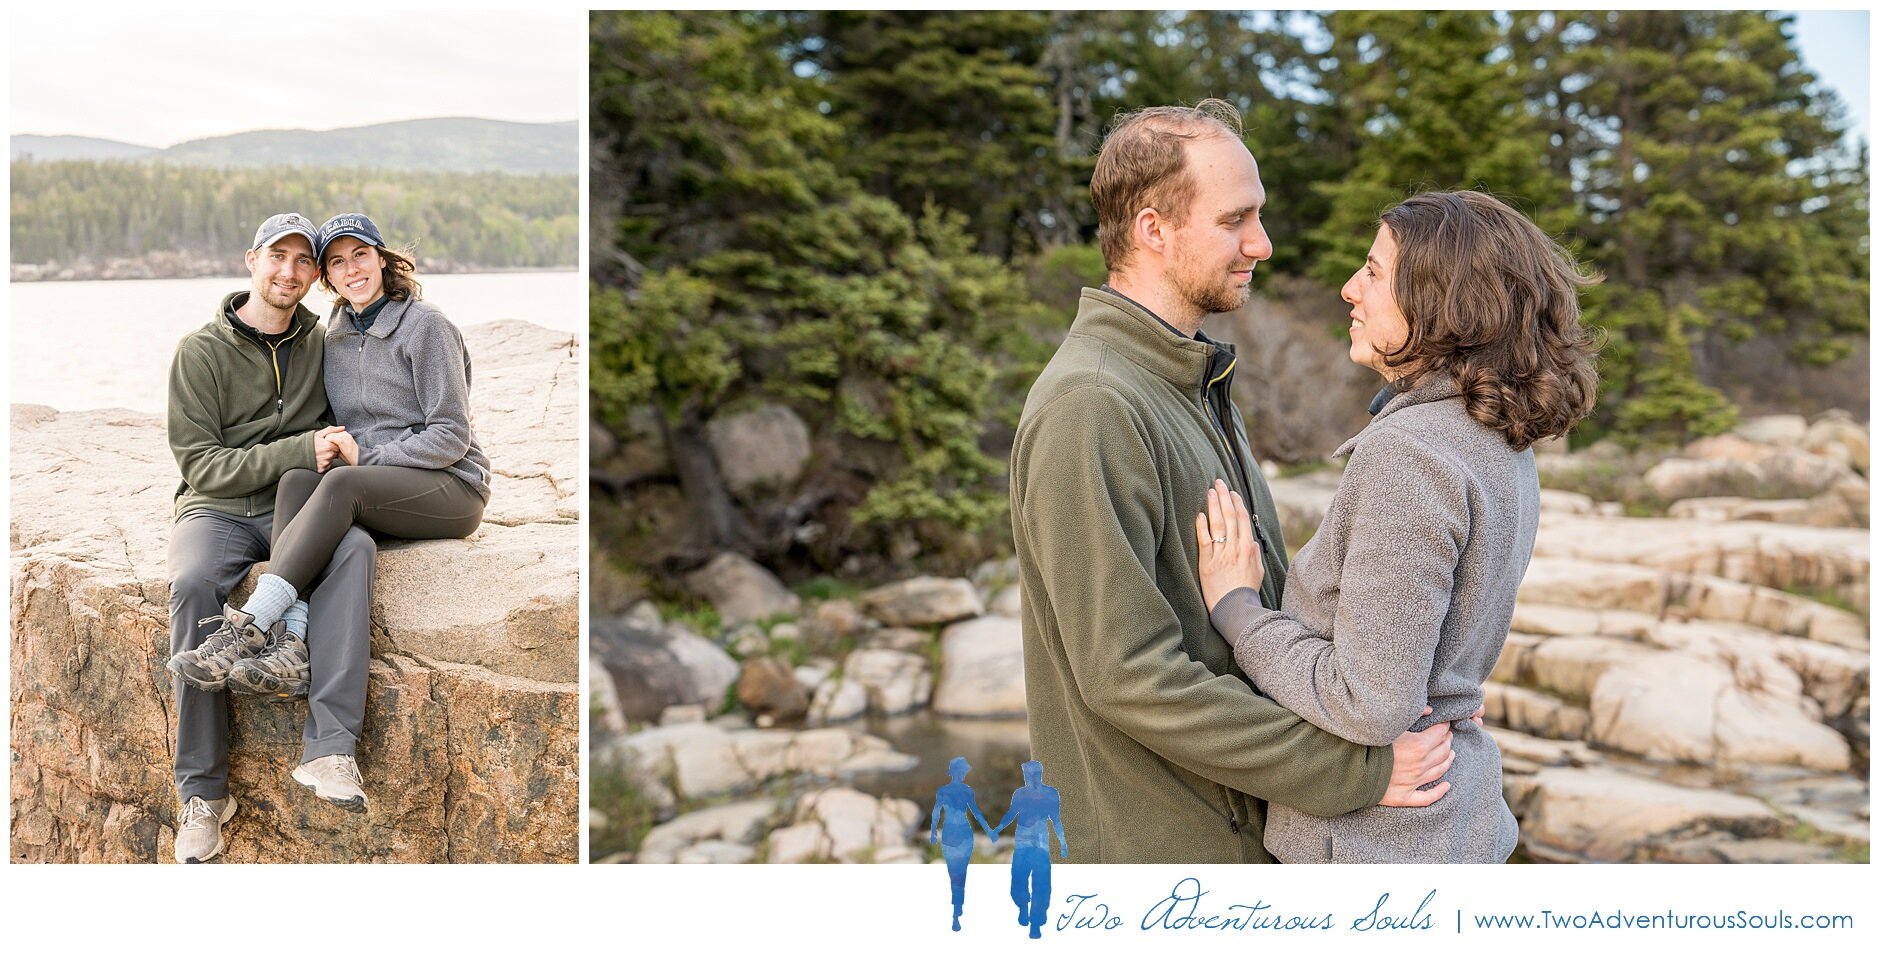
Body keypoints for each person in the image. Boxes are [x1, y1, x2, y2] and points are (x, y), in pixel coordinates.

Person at [1009, 99, 1458, 864]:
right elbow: (1128, 676)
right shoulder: (1092, 404)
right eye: (1234, 220)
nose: (1263, 243)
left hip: (1240, 839)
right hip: (1163, 860)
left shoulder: (1193, 381)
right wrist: (1350, 770)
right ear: (1154, 229)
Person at [1197, 190, 1599, 862]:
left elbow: (1371, 704)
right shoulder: (1497, 437)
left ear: (1446, 302)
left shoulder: (1410, 454)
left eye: (1375, 273)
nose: (1351, 289)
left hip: (1378, 854)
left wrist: (1238, 612)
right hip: (1455, 823)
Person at [180, 212, 491, 817]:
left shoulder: (426, 327)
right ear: (327, 275)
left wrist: (366, 454)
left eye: (362, 256)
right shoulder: (337, 333)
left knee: (341, 481)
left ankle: (252, 624)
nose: (352, 271)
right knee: (301, 478)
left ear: (384, 259)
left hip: (449, 490)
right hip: (378, 485)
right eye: (338, 262)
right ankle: (296, 651)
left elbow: (451, 435)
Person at [163, 213, 378, 863]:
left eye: (302, 262)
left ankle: (331, 752)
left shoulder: (325, 342)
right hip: (219, 510)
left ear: (316, 277)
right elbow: (201, 464)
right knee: (193, 584)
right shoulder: (199, 352)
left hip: (299, 506)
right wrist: (300, 449)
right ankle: (203, 795)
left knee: (356, 550)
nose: (288, 272)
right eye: (276, 257)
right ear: (251, 260)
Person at [993, 761, 1067, 940]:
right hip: (1022, 842)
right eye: (1026, 775)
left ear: (1038, 774)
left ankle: (1036, 921)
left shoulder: (1051, 794)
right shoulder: (1020, 794)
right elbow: (1012, 813)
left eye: (1030, 774)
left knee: (1041, 884)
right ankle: (1023, 907)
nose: (1028, 778)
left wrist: (1063, 842)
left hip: (1040, 843)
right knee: (1018, 880)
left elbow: (1056, 820)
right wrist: (997, 828)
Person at [928, 757, 997, 931]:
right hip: (953, 834)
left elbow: (976, 812)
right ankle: (956, 909)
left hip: (962, 834)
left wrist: (989, 830)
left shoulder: (965, 791)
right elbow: (936, 812)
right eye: (962, 772)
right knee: (954, 873)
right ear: (955, 772)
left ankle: (957, 911)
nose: (963, 775)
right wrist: (933, 831)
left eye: (964, 772)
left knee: (960, 873)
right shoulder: (946, 791)